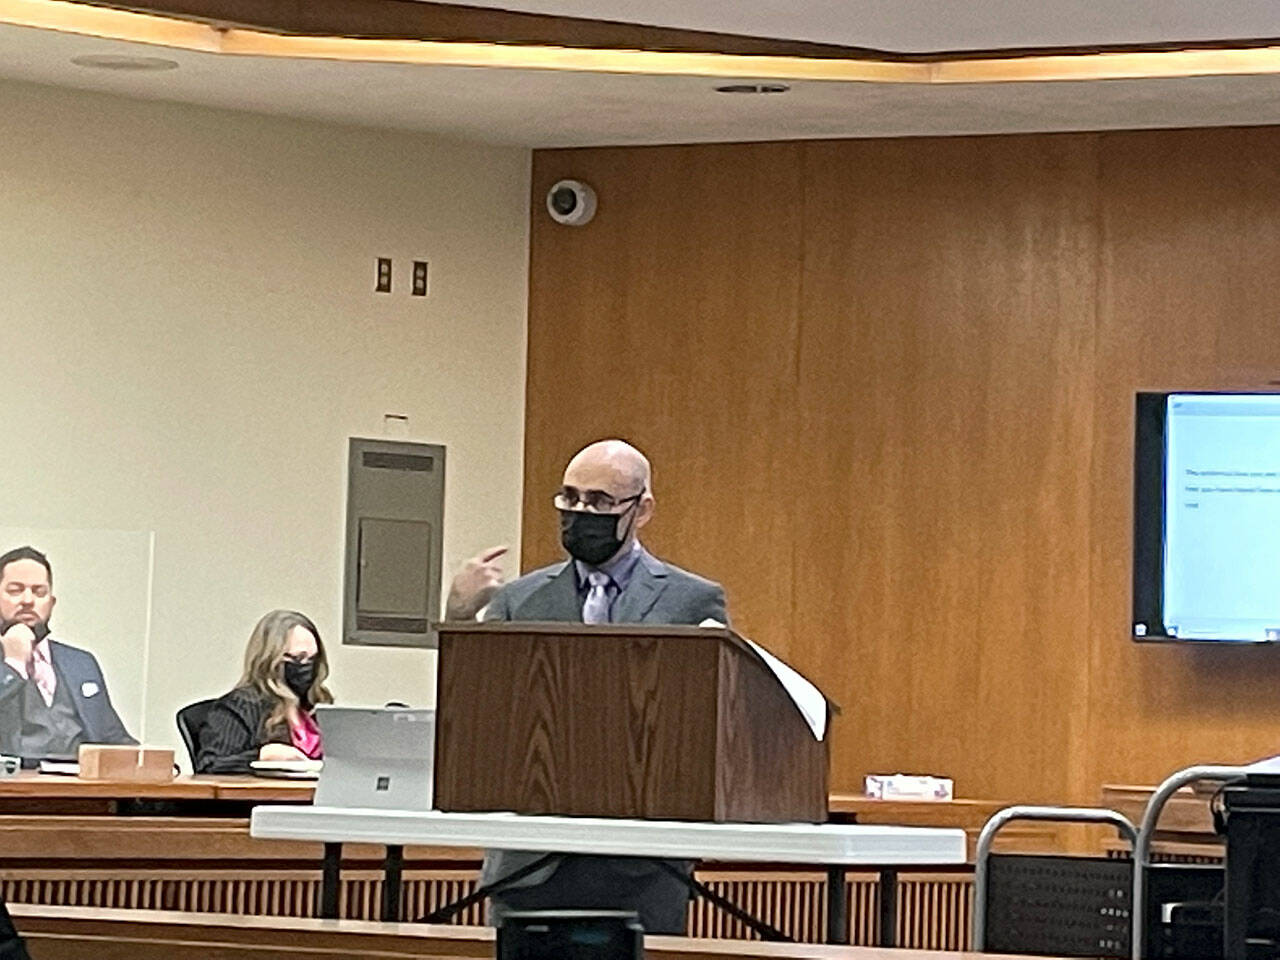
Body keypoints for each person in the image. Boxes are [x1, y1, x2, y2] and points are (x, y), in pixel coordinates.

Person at [445, 439, 727, 935]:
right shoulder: (521, 599)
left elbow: (709, 722)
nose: (580, 513)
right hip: (530, 859)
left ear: (642, 511)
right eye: (569, 498)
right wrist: (461, 616)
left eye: (599, 502)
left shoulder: (691, 601)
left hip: (641, 864)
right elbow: (473, 711)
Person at [0, 546, 134, 761]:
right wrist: (13, 665)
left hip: (80, 785)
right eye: (15, 590)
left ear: (51, 604)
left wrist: (150, 762)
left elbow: (111, 736)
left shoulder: (81, 663)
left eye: (39, 592)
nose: (27, 600)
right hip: (12, 786)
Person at [194, 609, 333, 774]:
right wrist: (262, 755)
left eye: (312, 659)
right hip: (267, 798)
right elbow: (210, 764)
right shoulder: (241, 706)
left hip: (324, 797)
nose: (306, 666)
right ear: (270, 659)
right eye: (297, 658)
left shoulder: (316, 706)